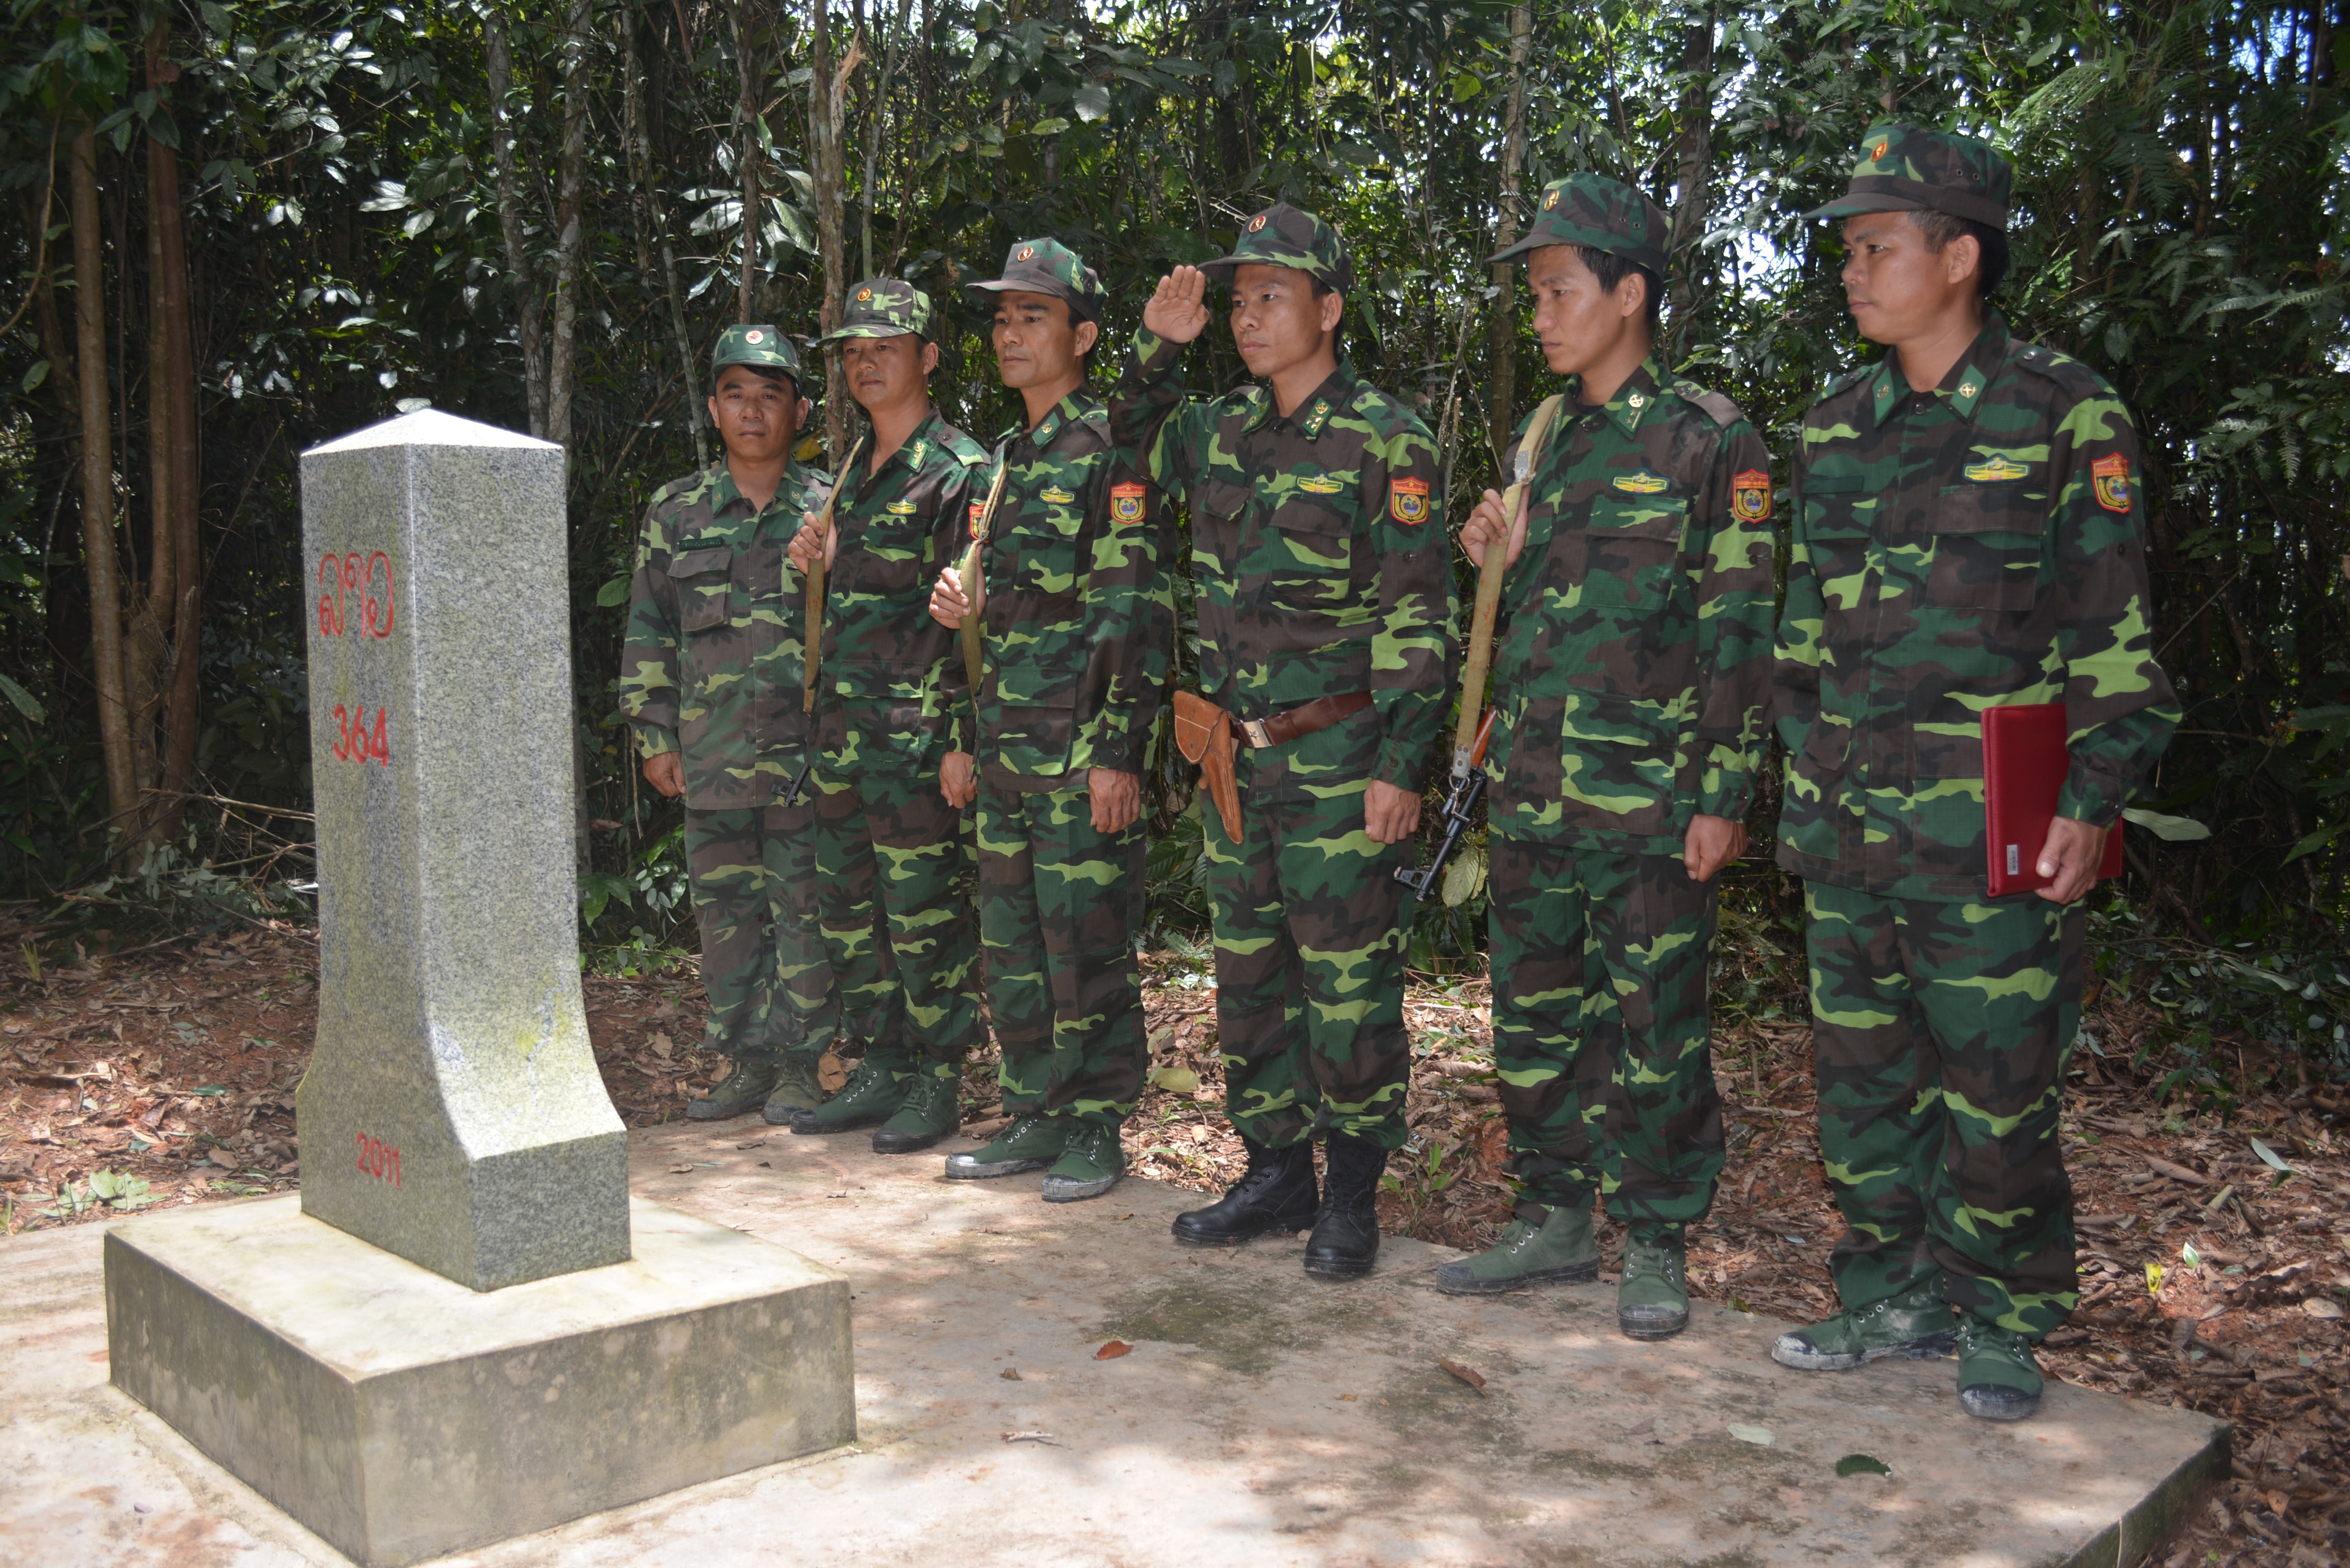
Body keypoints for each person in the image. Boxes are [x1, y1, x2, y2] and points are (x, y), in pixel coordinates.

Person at [1769, 124, 2177, 1420]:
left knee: (1997, 1087)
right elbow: (1800, 637)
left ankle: (2000, 1314)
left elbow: (2109, 634)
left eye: (1876, 246)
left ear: (1958, 256)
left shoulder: (2063, 412)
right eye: (1846, 249)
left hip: (1989, 832)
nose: (1852, 269)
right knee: (1861, 1086)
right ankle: (1885, 1289)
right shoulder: (1834, 428)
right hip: (1848, 826)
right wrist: (1804, 774)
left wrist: (2090, 801)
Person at [1434, 176, 1777, 1341]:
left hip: (1647, 800)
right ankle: (1552, 1216)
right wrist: (1490, 548)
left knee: (1654, 1026)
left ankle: (1659, 1239)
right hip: (1532, 791)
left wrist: (1722, 796)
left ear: (1628, 295)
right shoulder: (1546, 436)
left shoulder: (1708, 438)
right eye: (1533, 293)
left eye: (1557, 290)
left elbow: (1736, 635)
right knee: (1532, 1020)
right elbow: (1525, 619)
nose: (1538, 313)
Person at [1112, 205, 1458, 1278]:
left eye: (1273, 296)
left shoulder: (1386, 439)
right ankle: (1273, 1173)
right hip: (1231, 756)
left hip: (1340, 756)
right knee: (1251, 975)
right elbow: (1118, 455)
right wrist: (1155, 349)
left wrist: (1405, 765)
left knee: (1347, 983)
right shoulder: (1215, 429)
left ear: (1329, 309)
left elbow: (1419, 616)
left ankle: (1350, 1194)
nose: (1248, 317)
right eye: (1239, 297)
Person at [924, 240, 1173, 1202]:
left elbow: (1134, 608)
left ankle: (1095, 1124)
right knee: (1014, 945)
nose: (1011, 332)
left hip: (1078, 750)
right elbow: (976, 616)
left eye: (1034, 316)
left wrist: (1118, 754)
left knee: (1087, 944)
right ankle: (1033, 1111)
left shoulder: (1107, 450)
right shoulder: (1000, 467)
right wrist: (960, 731)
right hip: (1006, 749)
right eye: (1001, 317)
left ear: (1085, 335)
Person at [784, 280, 990, 1153]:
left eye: (887, 347)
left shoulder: (960, 471)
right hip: (844, 739)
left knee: (923, 916)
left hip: (915, 738)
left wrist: (960, 742)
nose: (867, 363)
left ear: (928, 359)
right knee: (848, 911)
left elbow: (975, 625)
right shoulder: (850, 479)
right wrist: (815, 563)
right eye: (853, 351)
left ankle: (937, 1076)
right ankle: (880, 1061)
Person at [618, 324, 841, 1123]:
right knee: (727, 922)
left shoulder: (828, 509)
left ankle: (797, 1065)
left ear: (800, 410)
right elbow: (649, 628)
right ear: (714, 409)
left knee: (804, 916)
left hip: (803, 759)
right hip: (710, 756)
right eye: (737, 395)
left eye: (771, 395)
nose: (754, 411)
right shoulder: (676, 511)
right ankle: (744, 1063)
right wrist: (654, 736)